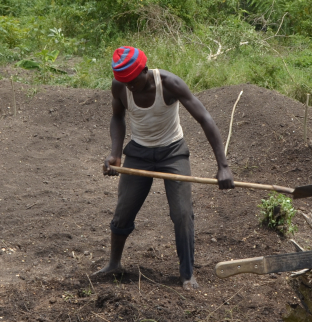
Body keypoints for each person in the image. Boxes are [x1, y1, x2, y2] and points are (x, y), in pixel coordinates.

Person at [96, 46, 234, 290]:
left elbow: (205, 119)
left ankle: (187, 274)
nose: (129, 87)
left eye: (133, 81)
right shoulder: (120, 87)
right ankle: (114, 264)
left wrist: (223, 166)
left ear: (145, 72)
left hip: (172, 152)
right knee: (123, 210)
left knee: (182, 213)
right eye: (124, 82)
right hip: (138, 152)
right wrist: (115, 154)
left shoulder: (169, 84)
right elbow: (117, 117)